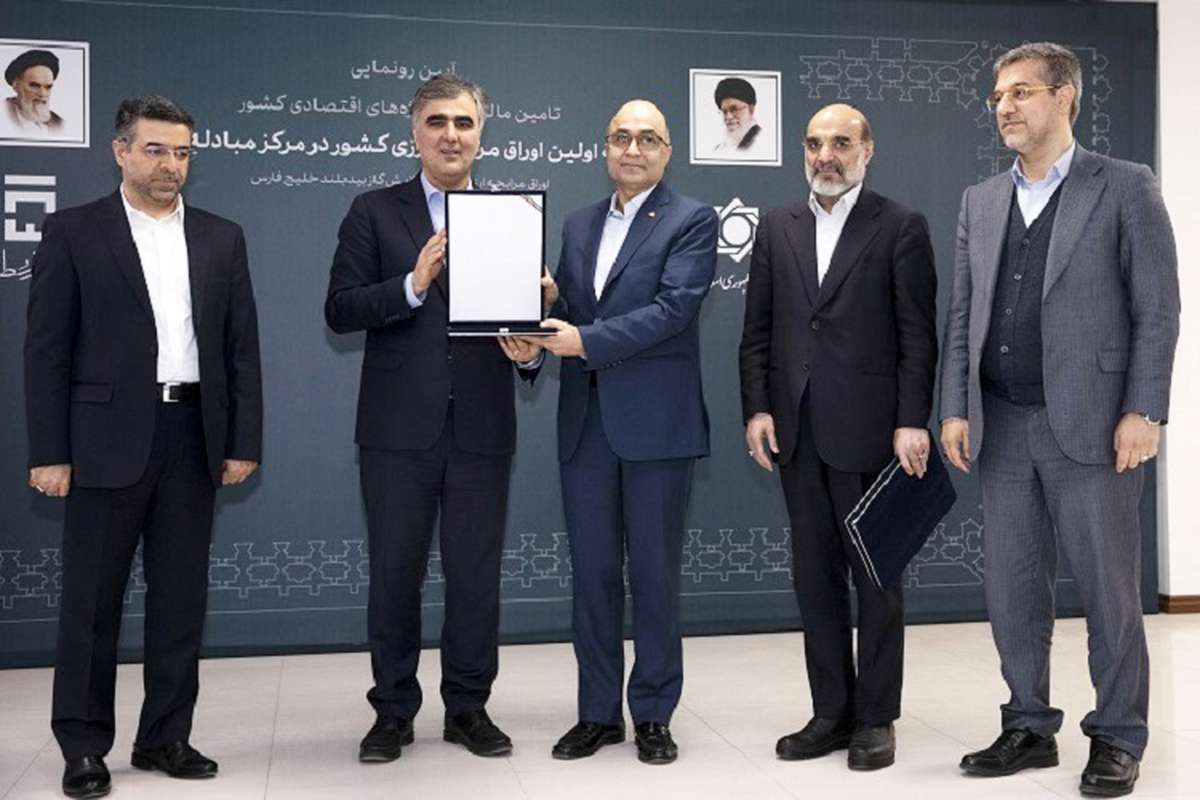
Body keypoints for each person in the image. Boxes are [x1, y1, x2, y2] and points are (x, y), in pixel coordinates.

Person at [939, 42, 1179, 798]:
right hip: (1002, 425)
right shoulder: (980, 200)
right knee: (1012, 591)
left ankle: (1118, 736)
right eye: (997, 97)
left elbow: (1158, 308)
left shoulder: (1126, 185)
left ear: (1064, 97)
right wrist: (954, 405)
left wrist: (1144, 408)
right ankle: (1028, 725)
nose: (1004, 107)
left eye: (1021, 92)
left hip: (1095, 425)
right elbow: (962, 316)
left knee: (1110, 594)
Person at [24, 95, 263, 799]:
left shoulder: (222, 237)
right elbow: (46, 351)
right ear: (121, 151)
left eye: (182, 152)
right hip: (102, 440)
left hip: (193, 435)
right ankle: (82, 746)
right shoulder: (74, 231)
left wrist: (242, 439)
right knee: (92, 603)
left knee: (180, 602)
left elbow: (241, 350)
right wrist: (49, 452)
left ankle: (165, 737)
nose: (170, 165)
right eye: (156, 150)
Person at [324, 72, 547, 764]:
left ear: (482, 134)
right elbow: (341, 309)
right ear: (414, 132)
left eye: (464, 122)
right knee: (395, 575)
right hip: (397, 431)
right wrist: (412, 285)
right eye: (438, 122)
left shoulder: (514, 217)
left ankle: (468, 709)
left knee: (476, 577)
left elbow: (525, 328)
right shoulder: (373, 211)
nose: (452, 135)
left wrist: (532, 346)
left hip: (483, 427)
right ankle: (392, 712)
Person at [739, 103, 938, 771]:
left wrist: (912, 420)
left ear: (867, 151)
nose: (826, 155)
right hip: (796, 433)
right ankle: (831, 713)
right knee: (814, 580)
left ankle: (876, 717)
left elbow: (918, 336)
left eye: (841, 143)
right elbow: (757, 330)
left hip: (873, 434)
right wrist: (758, 408)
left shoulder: (900, 226)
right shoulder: (777, 226)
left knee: (876, 580)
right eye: (814, 143)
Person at [528, 99, 717, 765]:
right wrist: (543, 308)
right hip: (585, 426)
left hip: (657, 428)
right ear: (604, 147)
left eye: (648, 139)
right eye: (621, 138)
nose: (633, 149)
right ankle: (598, 713)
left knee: (655, 577)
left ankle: (654, 714)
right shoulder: (578, 223)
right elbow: (573, 306)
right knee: (594, 575)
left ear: (668, 151)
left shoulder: (692, 220)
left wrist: (582, 339)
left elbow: (673, 310)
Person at [4, 49, 65, 133]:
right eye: (35, 86)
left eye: (48, 87)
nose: (43, 94)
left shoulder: (58, 123)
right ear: (16, 85)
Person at [713, 77, 764, 155]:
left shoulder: (762, 142)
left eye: (734, 109)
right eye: (724, 111)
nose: (728, 117)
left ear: (751, 110)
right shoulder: (720, 149)